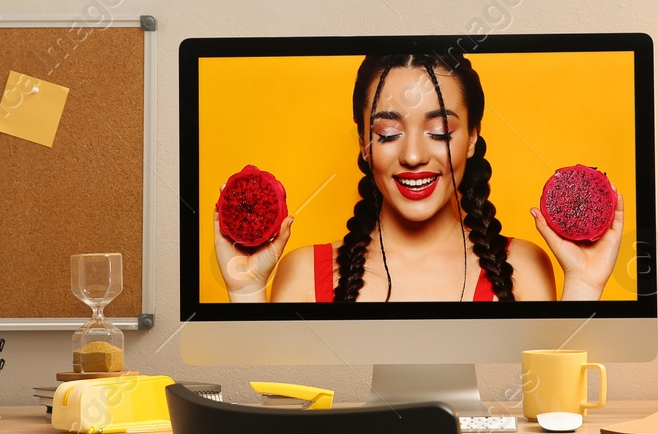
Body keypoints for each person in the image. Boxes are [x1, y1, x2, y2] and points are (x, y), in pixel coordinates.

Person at [214, 50, 623, 302]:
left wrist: (583, 285)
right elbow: (277, 417)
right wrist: (246, 290)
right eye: (388, 133)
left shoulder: (524, 267)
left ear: (473, 139)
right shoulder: (302, 273)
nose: (413, 155)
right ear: (362, 142)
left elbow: (558, 415)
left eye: (440, 132)